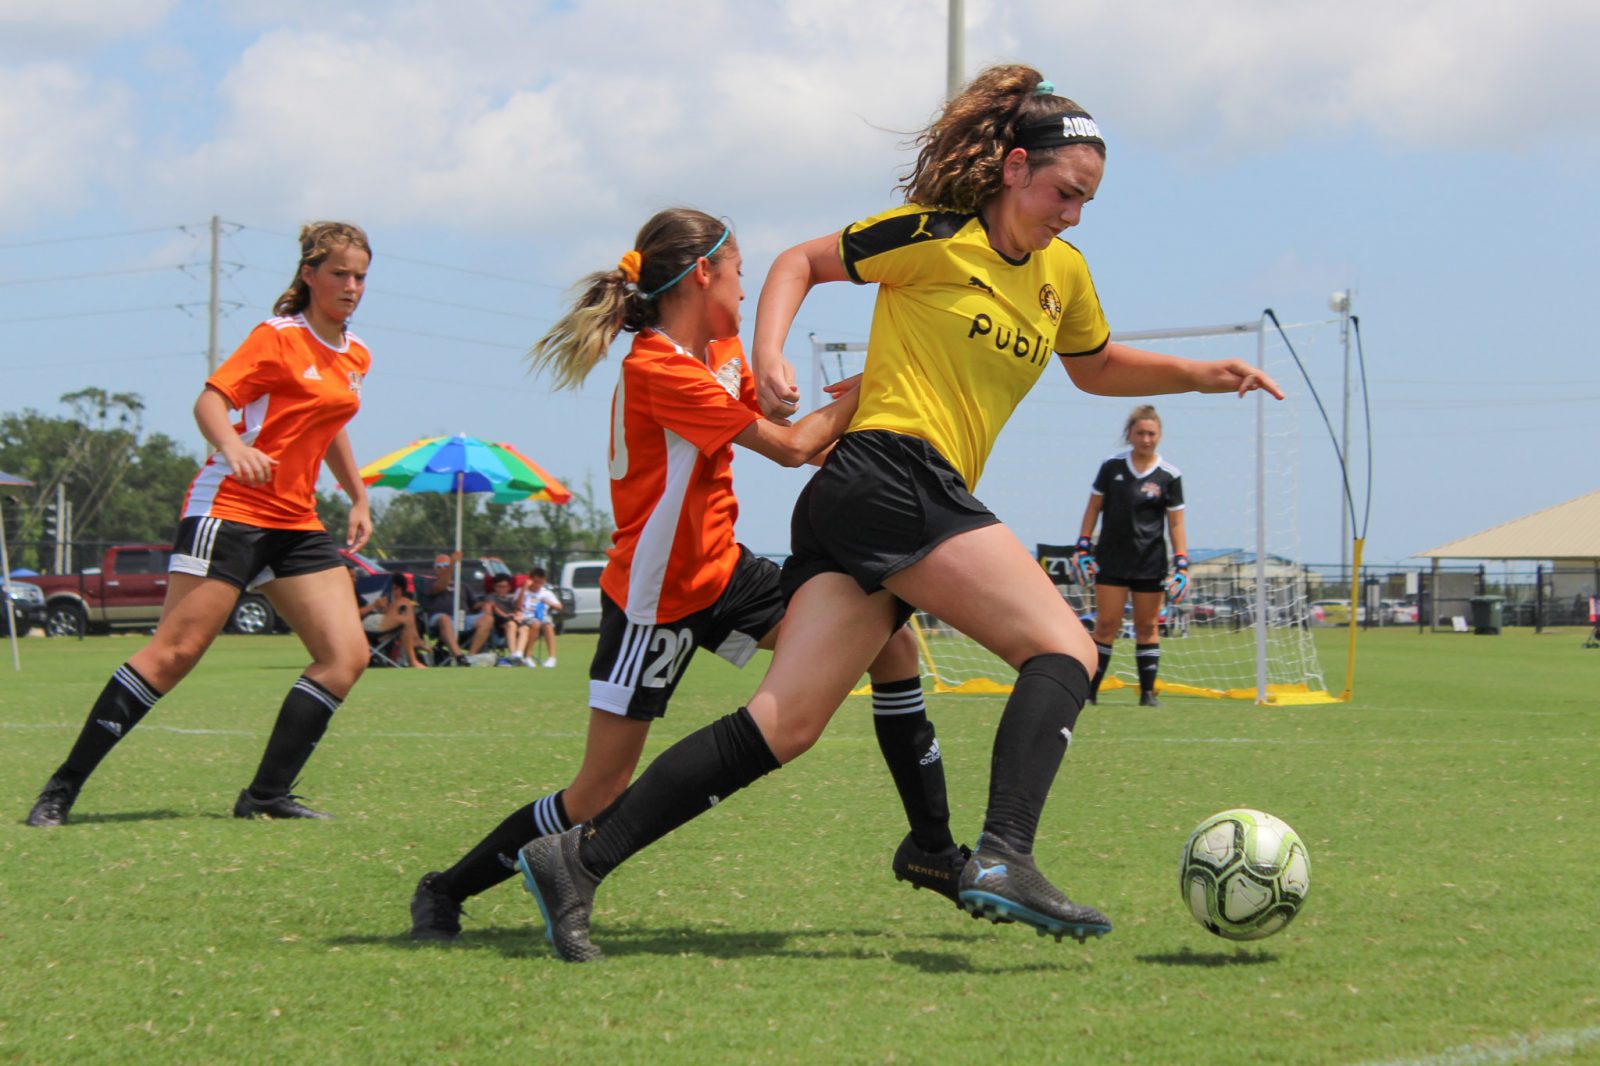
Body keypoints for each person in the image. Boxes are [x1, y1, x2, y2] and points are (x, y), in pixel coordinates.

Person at [513, 65, 1284, 961]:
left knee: (784, 725)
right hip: (893, 475)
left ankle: (578, 860)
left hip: (867, 502)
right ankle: (1003, 854)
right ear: (1014, 169)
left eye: (1087, 201)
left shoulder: (1063, 275)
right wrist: (770, 354)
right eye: (1063, 193)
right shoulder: (934, 235)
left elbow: (1096, 364)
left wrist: (1203, 374)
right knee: (1066, 649)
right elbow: (801, 263)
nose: (1073, 215)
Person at [408, 207, 958, 940]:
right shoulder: (657, 368)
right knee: (596, 793)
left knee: (891, 646)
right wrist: (881, 377)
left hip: (722, 570)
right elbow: (792, 450)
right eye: (740, 272)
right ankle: (446, 889)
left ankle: (932, 848)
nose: (747, 287)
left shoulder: (720, 349)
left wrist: (854, 416)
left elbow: (794, 431)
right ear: (704, 274)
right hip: (655, 597)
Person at [26, 221, 377, 826]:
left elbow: (331, 424)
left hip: (296, 522)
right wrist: (233, 447)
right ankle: (61, 790)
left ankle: (265, 795)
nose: (351, 286)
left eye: (361, 277)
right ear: (309, 274)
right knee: (175, 653)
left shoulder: (356, 354)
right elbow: (210, 400)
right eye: (340, 273)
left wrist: (359, 497)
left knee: (346, 656)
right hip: (230, 510)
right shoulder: (275, 337)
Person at [1071, 405, 1188, 707]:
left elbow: (1176, 523)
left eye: (1151, 434)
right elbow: (1094, 506)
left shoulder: (1170, 475)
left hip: (1150, 562)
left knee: (1147, 626)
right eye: (1140, 433)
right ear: (1130, 434)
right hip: (1111, 559)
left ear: (1159, 435)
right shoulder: (1112, 467)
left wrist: (1182, 562)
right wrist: (1083, 544)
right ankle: (1090, 691)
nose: (1146, 439)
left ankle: (1147, 694)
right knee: (1106, 624)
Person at [422, 552, 495, 663]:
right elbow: (440, 586)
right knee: (444, 619)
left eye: (445, 566)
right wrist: (452, 563)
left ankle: (471, 656)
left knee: (488, 619)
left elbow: (474, 604)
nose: (442, 569)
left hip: (462, 618)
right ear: (435, 569)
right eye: (439, 566)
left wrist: (487, 603)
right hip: (439, 620)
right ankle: (459, 657)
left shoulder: (462, 585)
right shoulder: (430, 583)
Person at [353, 565, 430, 669]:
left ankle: (413, 653)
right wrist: (374, 605)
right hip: (363, 624)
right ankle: (414, 648)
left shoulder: (355, 592)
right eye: (352, 576)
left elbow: (367, 608)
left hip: (374, 619)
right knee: (404, 606)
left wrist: (380, 608)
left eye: (354, 576)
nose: (355, 579)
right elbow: (353, 615)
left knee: (405, 605)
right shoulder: (345, 594)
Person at [507, 566, 561, 667]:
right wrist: (524, 589)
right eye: (535, 582)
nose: (537, 585)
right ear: (530, 580)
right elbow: (518, 606)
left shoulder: (546, 593)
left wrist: (548, 602)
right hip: (526, 617)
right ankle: (527, 656)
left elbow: (559, 607)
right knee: (535, 624)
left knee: (548, 625)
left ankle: (552, 657)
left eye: (540, 582)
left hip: (541, 616)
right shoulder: (521, 590)